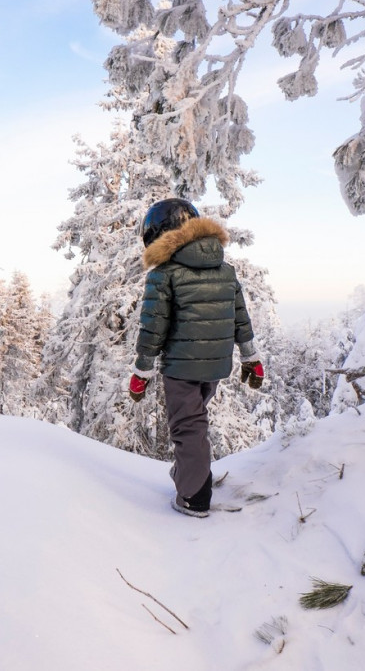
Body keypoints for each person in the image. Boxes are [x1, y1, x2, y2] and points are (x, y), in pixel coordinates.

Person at [128, 198, 264, 518]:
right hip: (216, 365)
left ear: (159, 233)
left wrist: (142, 371)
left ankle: (194, 496)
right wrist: (251, 357)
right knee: (195, 420)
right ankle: (192, 474)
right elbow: (240, 317)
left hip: (181, 366)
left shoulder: (164, 274)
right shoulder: (225, 270)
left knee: (187, 427)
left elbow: (153, 327)